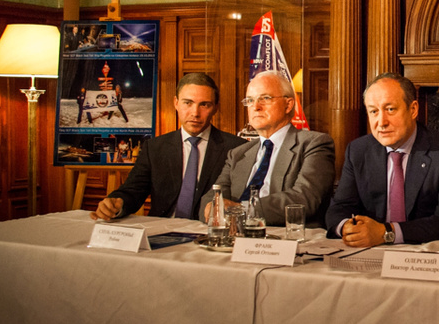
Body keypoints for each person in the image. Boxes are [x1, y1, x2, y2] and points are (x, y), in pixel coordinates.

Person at [326, 73, 439, 246]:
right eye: (373, 111)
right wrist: (346, 228)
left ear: (413, 109)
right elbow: (339, 208)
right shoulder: (358, 151)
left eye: (390, 109)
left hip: (422, 255)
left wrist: (387, 232)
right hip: (369, 251)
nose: (381, 122)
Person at [90, 73, 245, 221]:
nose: (195, 113)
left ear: (215, 108)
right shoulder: (155, 148)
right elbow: (132, 191)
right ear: (176, 103)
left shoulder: (236, 149)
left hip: (208, 233)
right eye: (188, 103)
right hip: (162, 230)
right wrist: (117, 204)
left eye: (204, 105)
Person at [201, 70, 335, 227]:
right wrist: (211, 207)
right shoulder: (238, 153)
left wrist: (241, 210)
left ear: (288, 104)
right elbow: (213, 195)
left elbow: (304, 199)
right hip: (235, 235)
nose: (255, 107)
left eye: (265, 98)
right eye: (250, 100)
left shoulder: (314, 144)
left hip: (286, 237)